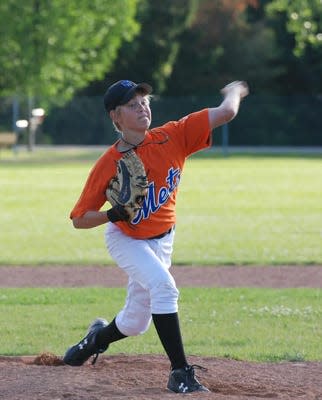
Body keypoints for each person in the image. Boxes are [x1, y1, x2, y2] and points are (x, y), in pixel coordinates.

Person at [63, 79, 249, 393]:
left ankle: (95, 339)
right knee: (164, 287)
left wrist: (235, 90)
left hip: (163, 240)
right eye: (132, 105)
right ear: (116, 117)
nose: (142, 108)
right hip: (127, 240)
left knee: (136, 322)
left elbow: (227, 112)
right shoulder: (109, 163)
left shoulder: (174, 135)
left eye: (144, 101)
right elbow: (79, 220)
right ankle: (180, 373)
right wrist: (113, 214)